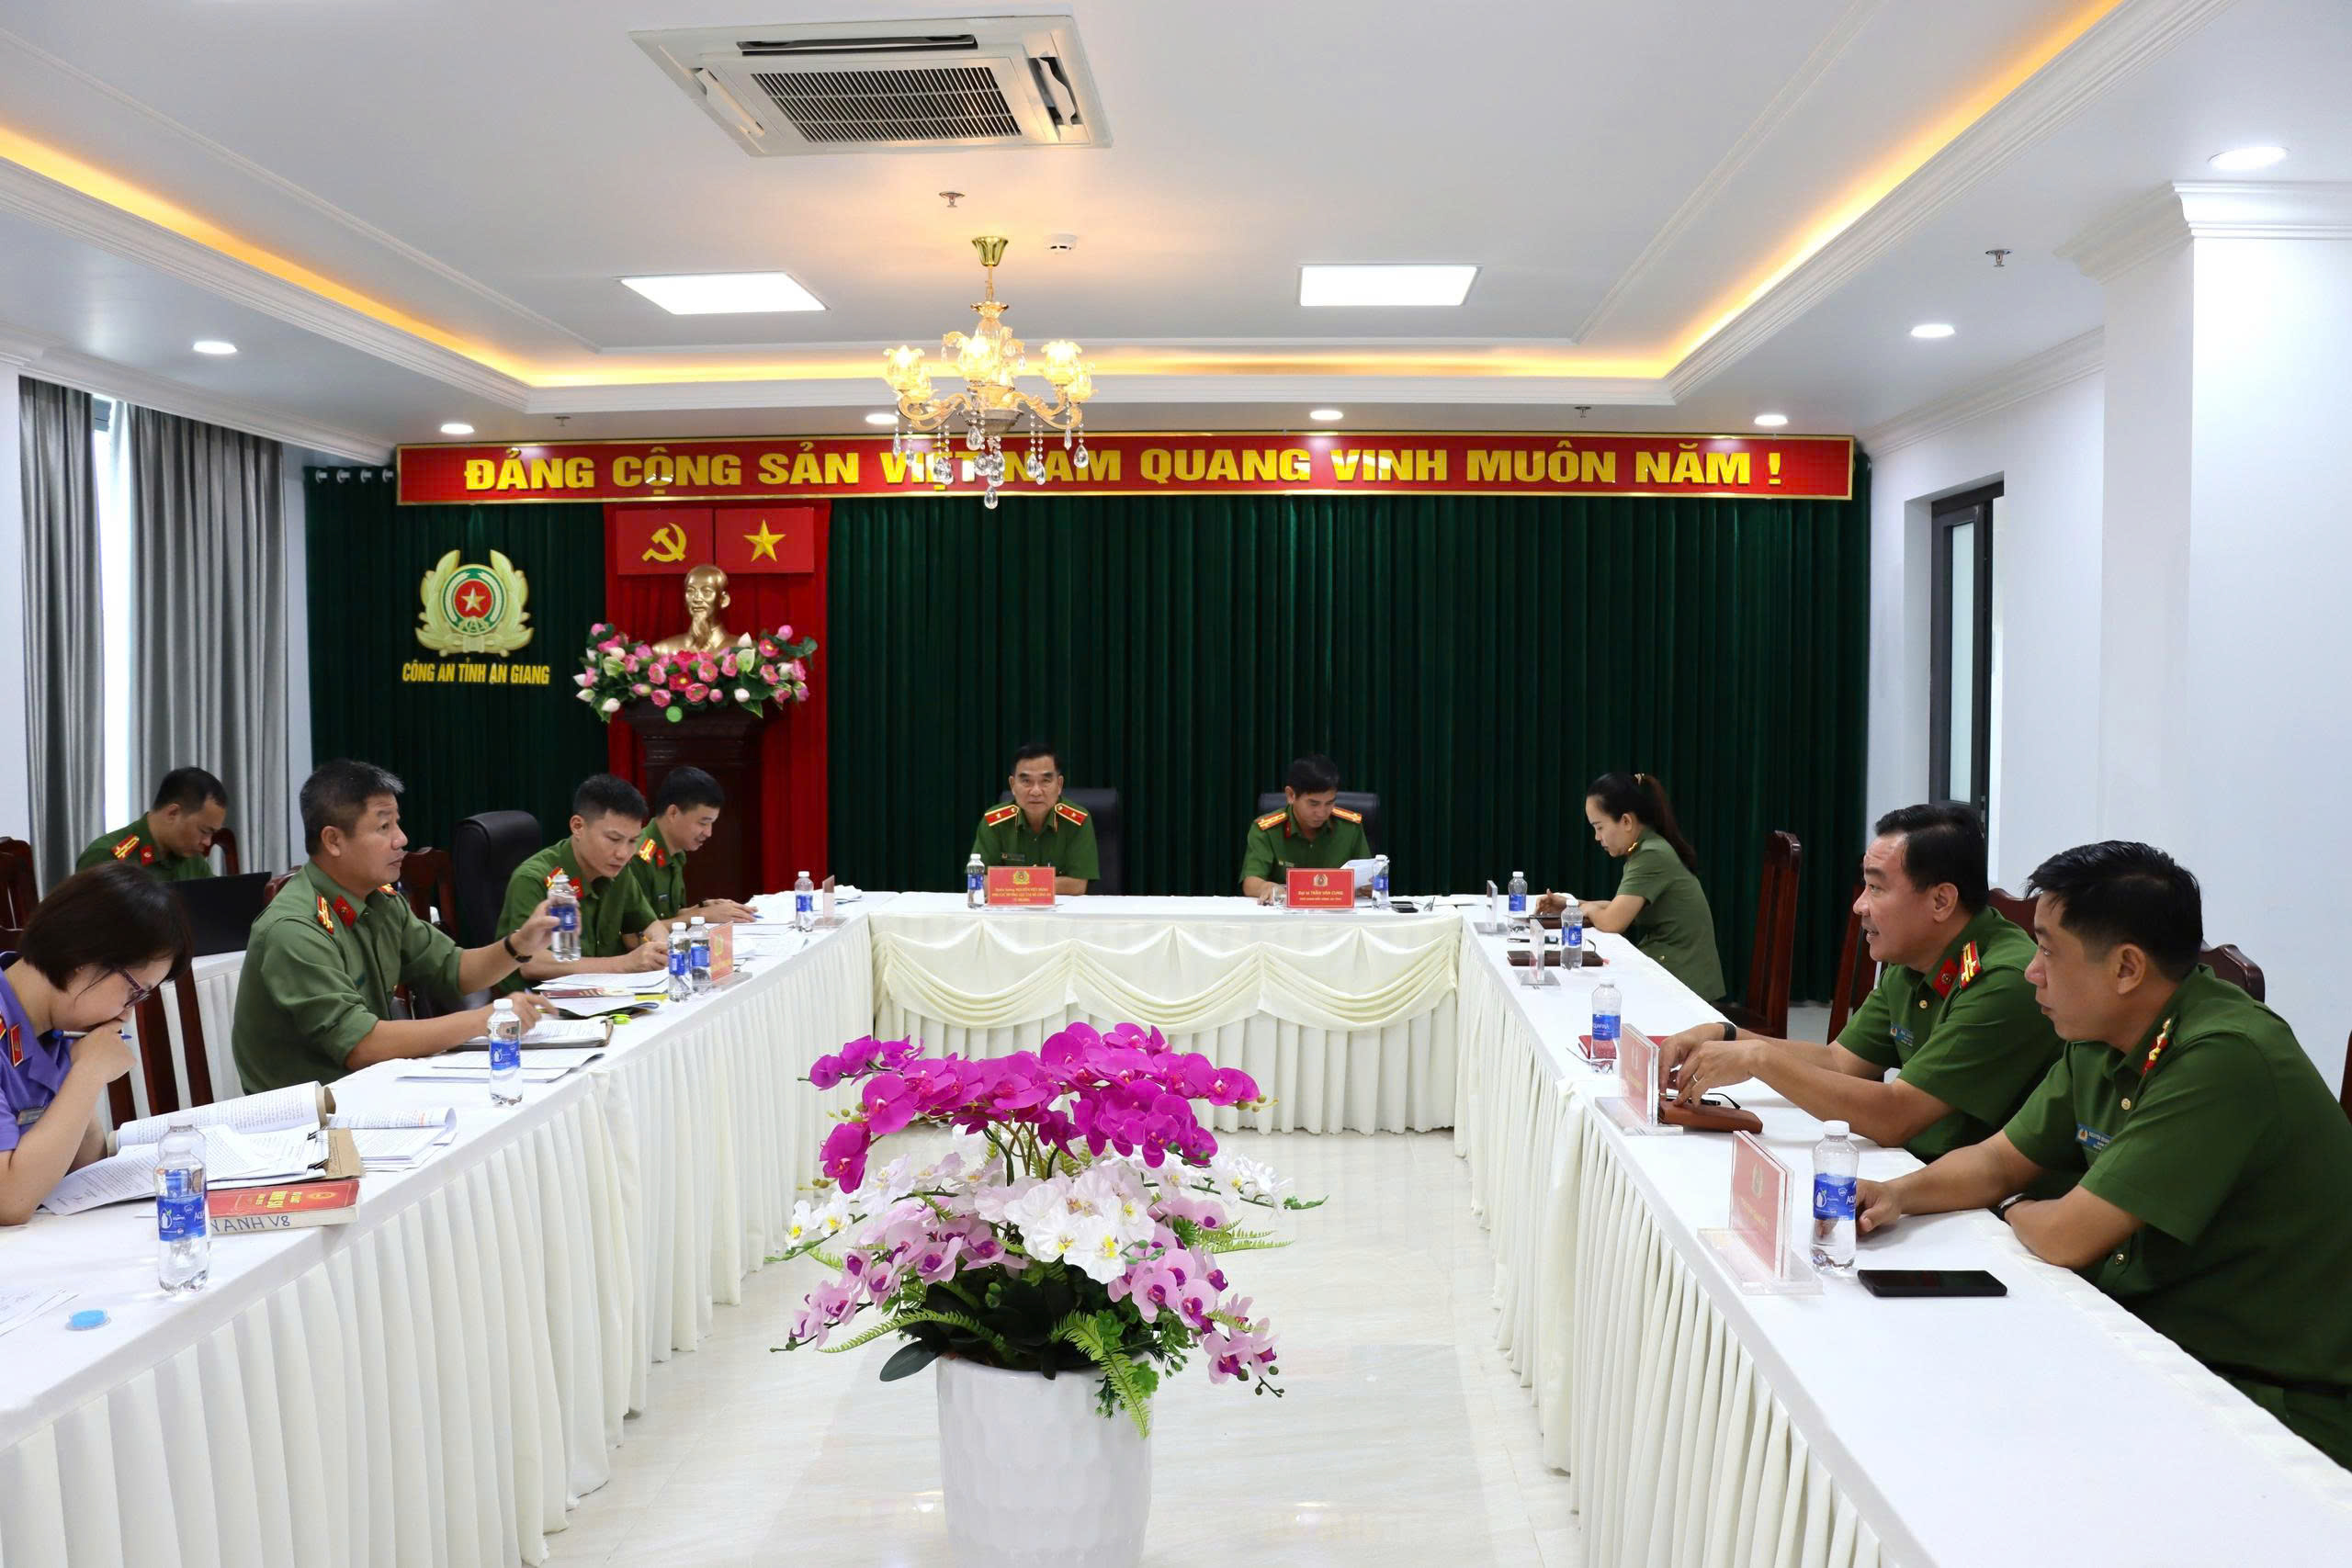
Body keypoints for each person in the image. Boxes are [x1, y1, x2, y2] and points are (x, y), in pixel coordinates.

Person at [1855, 841, 2352, 1471]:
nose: (2032, 972)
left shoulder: (2225, 1057)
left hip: (2272, 1399)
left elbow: (2065, 1235)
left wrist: (2013, 1206)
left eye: (2048, 950)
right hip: (2149, 1338)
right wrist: (1897, 1194)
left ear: (2126, 969)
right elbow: (1998, 1162)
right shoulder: (2100, 1033)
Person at [1664, 802, 2061, 1168]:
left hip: (1992, 1205)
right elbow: (1840, 1062)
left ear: (1941, 901)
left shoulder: (2002, 979)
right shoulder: (1915, 956)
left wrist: (1759, 1059)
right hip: (1920, 1169)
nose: (1859, 906)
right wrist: (1728, 1036)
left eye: (1877, 888)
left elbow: (1895, 1117)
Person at [231, 760, 556, 1095]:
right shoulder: (295, 928)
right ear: (333, 840)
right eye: (384, 827)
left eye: (397, 823)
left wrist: (519, 945)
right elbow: (362, 1045)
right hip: (307, 1112)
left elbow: (454, 969)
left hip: (370, 1087)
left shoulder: (381, 901)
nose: (401, 839)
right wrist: (486, 1019)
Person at [0, 865, 189, 1224]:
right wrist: (87, 1074)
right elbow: (9, 1201)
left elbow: (85, 1167)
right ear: (82, 959)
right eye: (133, 992)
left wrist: (79, 1078)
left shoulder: (54, 1026)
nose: (127, 1015)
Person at [1539, 772, 1724, 1000]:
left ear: (1626, 821)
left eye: (1599, 827)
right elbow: (1619, 907)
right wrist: (1571, 904)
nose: (1597, 837)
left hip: (1684, 979)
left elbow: (1612, 921)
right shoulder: (1646, 848)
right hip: (1676, 966)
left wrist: (1585, 909)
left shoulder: (1651, 854)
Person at [496, 773, 667, 991]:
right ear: (578, 826)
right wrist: (624, 964)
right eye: (614, 839)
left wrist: (661, 949)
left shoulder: (619, 871)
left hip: (602, 995)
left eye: (633, 841)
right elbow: (531, 963)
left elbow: (649, 924)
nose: (623, 853)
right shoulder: (533, 878)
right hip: (538, 1003)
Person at [623, 767, 758, 923]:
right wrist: (701, 916)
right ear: (673, 813)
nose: (708, 833)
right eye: (703, 823)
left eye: (712, 823)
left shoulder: (676, 853)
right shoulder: (638, 857)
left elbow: (666, 915)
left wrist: (704, 908)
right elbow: (638, 932)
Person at [970, 741, 1098, 896]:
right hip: (1009, 909)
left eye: (1045, 781)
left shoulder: (1077, 821)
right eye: (1026, 781)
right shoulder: (994, 821)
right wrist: (1041, 884)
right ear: (1012, 785)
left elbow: (1077, 886)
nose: (1036, 791)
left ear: (1059, 785)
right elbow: (978, 879)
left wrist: (1009, 883)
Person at [1240, 753, 1370, 902]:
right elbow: (1250, 882)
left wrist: (1371, 885)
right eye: (1313, 804)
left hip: (1338, 912)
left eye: (1329, 803)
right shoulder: (1267, 830)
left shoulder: (1350, 827)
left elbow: (1369, 878)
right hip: (1285, 912)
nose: (1322, 813)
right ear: (1291, 795)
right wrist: (1266, 887)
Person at [74, 766, 228, 881]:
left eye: (212, 834)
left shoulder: (192, 860)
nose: (207, 842)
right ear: (173, 813)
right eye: (204, 831)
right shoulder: (109, 856)